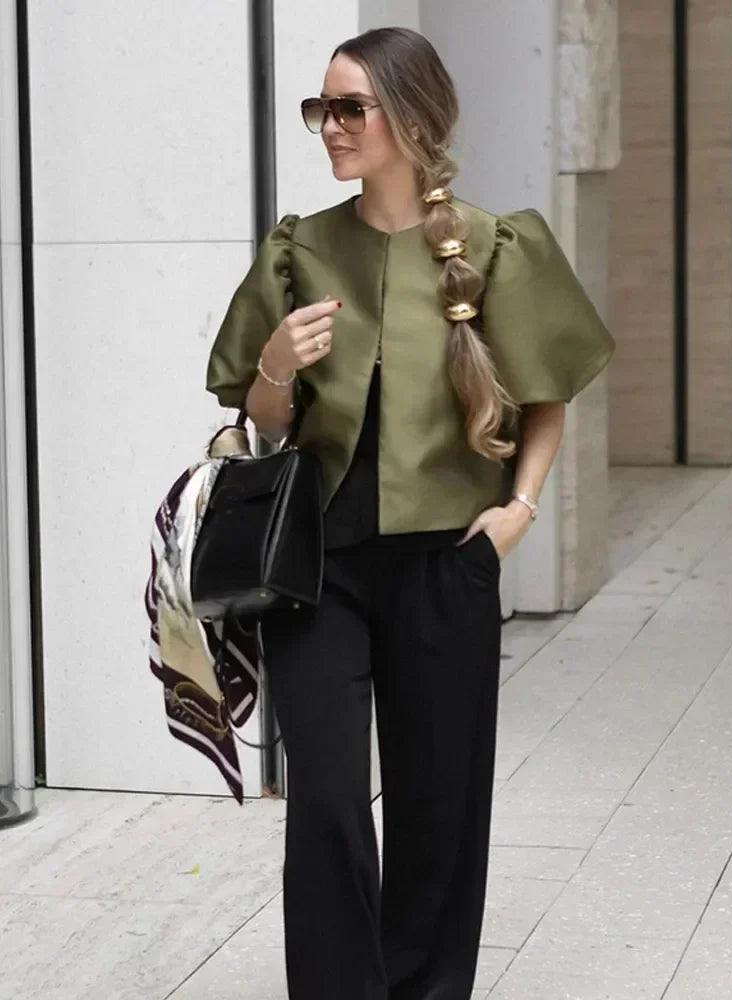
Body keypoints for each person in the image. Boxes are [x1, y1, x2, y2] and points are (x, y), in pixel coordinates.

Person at [205, 25, 614, 1000]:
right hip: (318, 573)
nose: (329, 128)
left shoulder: (495, 243)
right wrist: (275, 368)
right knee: (332, 801)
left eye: (351, 108)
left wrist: (519, 510)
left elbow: (550, 389)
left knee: (439, 804)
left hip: (447, 560)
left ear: (412, 116)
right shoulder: (303, 247)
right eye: (321, 109)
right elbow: (256, 416)